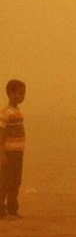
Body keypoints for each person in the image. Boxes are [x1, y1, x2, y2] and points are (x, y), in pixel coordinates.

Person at [1, 80, 27, 218]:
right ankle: (1, 210)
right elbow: (1, 133)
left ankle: (12, 209)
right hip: (8, 153)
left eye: (24, 93)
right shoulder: (5, 112)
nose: (23, 96)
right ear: (11, 93)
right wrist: (1, 154)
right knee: (5, 181)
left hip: (18, 152)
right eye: (20, 93)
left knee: (16, 181)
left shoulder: (17, 111)